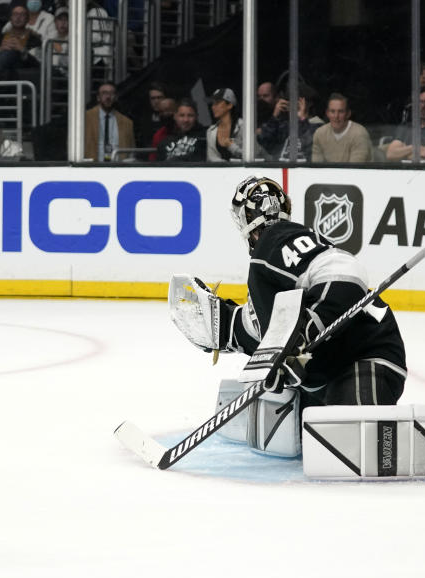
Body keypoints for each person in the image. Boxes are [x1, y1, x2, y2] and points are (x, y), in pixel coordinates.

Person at [171, 176, 406, 410]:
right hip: (334, 371)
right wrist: (224, 327)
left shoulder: (276, 240)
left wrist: (305, 333)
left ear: (246, 218)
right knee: (311, 440)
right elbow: (270, 331)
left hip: (365, 358)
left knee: (350, 442)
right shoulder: (269, 268)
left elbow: (346, 273)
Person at [310, 93, 372, 163]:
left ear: (348, 114)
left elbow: (355, 170)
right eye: (332, 111)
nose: (336, 116)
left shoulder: (359, 134)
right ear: (327, 113)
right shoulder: (319, 133)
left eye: (341, 111)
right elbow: (317, 167)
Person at [385, 87, 425, 162]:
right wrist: (414, 148)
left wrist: (403, 151)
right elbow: (390, 154)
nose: (423, 106)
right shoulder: (406, 126)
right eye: (419, 102)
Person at [84, 82, 134, 161]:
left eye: (111, 93)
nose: (108, 97)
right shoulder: (85, 118)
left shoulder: (127, 122)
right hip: (92, 168)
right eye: (104, 93)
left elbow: (131, 152)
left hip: (118, 169)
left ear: (116, 97)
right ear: (98, 97)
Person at [0, 3, 42, 70]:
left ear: (27, 19)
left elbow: (38, 63)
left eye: (22, 14)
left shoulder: (34, 39)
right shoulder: (0, 37)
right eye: (15, 14)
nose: (18, 17)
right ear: (10, 18)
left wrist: (22, 50)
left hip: (24, 74)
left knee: (12, 53)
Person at [206, 88, 247, 162]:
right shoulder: (211, 131)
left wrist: (232, 146)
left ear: (230, 105)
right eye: (212, 103)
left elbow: (254, 156)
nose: (213, 107)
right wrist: (226, 167)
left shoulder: (244, 126)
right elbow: (211, 158)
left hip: (243, 172)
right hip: (220, 172)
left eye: (217, 103)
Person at [135, 82, 167, 153]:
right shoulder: (143, 119)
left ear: (165, 98)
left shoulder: (173, 119)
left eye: (159, 97)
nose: (156, 101)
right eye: (153, 98)